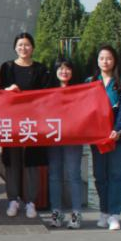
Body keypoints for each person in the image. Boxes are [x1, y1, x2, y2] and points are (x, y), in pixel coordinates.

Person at [0, 33, 52, 220]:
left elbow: (47, 95)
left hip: (33, 122)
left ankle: (30, 201)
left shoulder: (41, 69)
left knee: (32, 161)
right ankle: (12, 199)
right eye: (20, 45)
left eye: (27, 45)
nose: (24, 48)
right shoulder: (7, 68)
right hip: (12, 121)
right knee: (12, 160)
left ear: (33, 48)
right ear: (15, 47)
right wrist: (8, 91)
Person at [89, 45, 121, 231]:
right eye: (101, 58)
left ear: (114, 60)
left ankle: (114, 214)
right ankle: (104, 212)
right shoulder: (91, 81)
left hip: (117, 138)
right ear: (97, 61)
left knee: (116, 175)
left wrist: (118, 130)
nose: (105, 61)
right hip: (98, 138)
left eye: (108, 58)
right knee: (100, 176)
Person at [47, 58, 84, 229]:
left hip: (73, 137)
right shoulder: (49, 91)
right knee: (54, 175)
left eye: (68, 68)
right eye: (60, 68)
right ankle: (56, 212)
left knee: (74, 174)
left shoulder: (80, 91)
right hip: (53, 136)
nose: (64, 71)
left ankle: (76, 213)